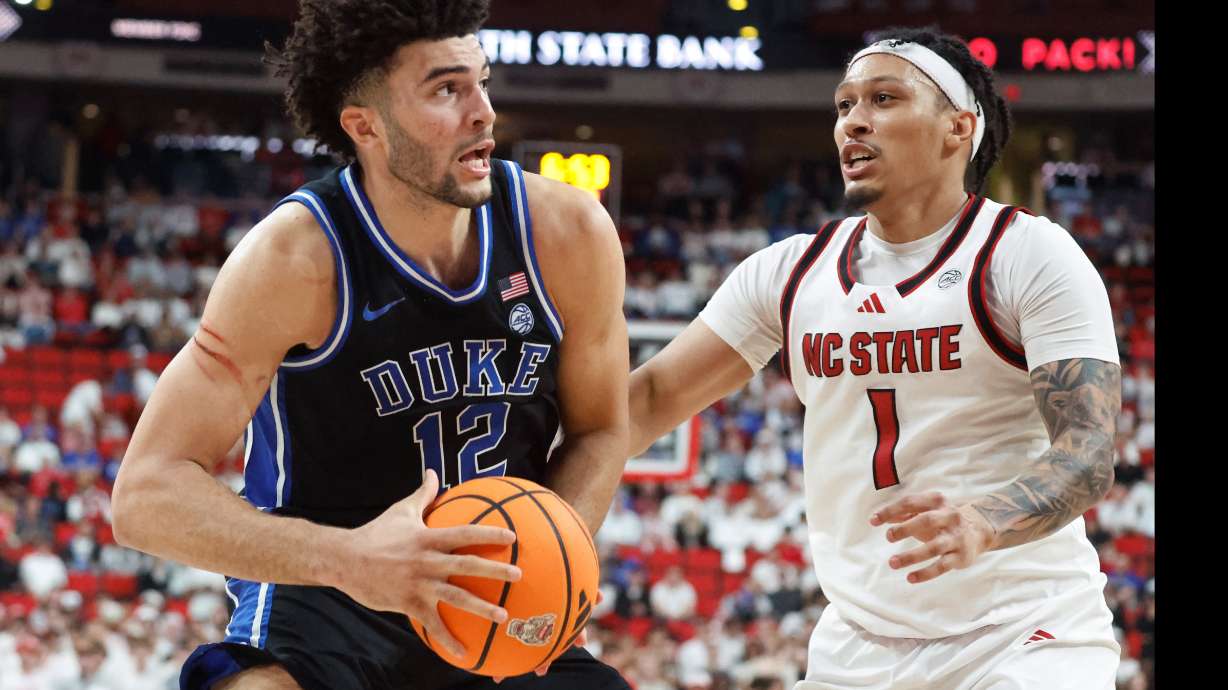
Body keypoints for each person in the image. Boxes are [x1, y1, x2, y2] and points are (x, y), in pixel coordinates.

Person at [111, 1, 629, 689]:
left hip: (491, 588)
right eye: (446, 90)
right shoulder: (295, 259)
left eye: (481, 82)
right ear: (365, 126)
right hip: (326, 599)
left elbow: (601, 428)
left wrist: (557, 555)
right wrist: (350, 560)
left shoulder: (567, 233)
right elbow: (144, 495)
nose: (483, 113)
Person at [629, 27, 1121, 690]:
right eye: (844, 105)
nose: (853, 122)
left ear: (958, 127)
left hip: (1025, 635)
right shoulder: (789, 271)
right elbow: (648, 401)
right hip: (857, 645)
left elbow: (1088, 452)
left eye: (883, 99)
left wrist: (984, 520)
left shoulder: (1026, 253)